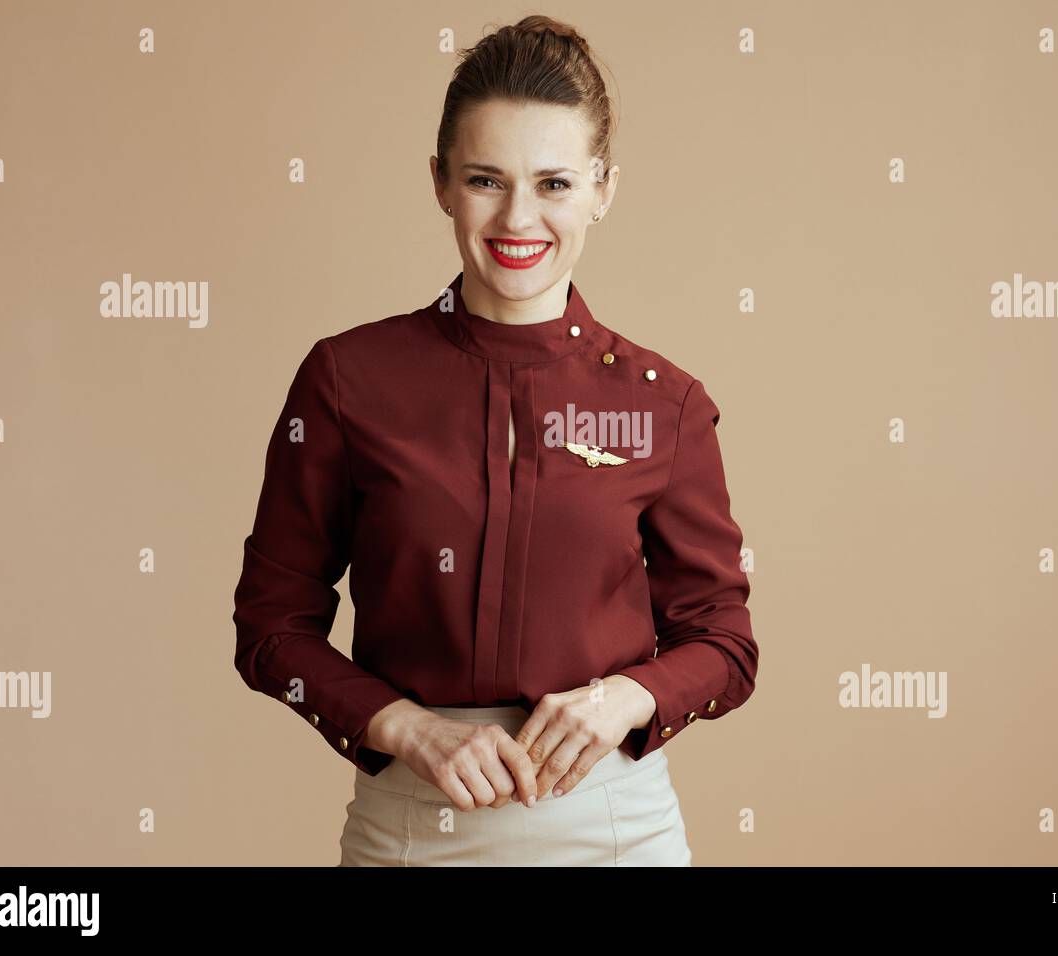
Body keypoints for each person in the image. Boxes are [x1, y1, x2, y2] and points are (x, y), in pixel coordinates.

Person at [232, 14, 759, 866]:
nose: (519, 217)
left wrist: (628, 696)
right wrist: (405, 728)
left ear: (603, 190)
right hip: (408, 830)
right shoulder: (346, 379)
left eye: (554, 183)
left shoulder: (665, 404)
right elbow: (269, 627)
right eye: (486, 179)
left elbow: (725, 643)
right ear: (440, 182)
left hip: (617, 837)